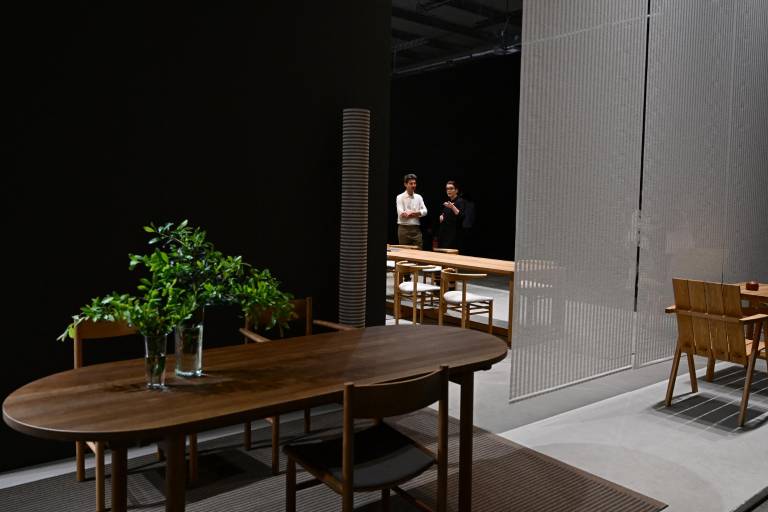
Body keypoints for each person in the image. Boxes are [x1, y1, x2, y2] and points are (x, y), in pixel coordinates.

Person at [396, 173, 427, 248]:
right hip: (403, 229)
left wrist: (413, 213)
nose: (413, 185)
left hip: (416, 229)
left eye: (414, 183)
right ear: (405, 184)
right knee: (404, 252)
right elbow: (402, 214)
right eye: (411, 183)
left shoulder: (419, 197)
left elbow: (425, 211)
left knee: (419, 251)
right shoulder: (400, 197)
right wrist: (418, 214)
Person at [437, 180, 465, 250]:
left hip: (453, 237)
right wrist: (441, 217)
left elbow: (461, 216)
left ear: (456, 190)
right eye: (447, 189)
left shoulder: (460, 201)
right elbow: (444, 215)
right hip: (444, 235)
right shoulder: (448, 203)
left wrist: (452, 207)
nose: (448, 191)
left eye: (451, 188)